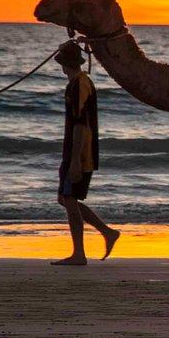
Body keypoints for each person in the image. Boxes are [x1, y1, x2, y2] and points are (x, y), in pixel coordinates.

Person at [51, 40, 120, 266]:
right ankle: (106, 232)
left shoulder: (80, 85)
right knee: (64, 198)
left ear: (64, 64)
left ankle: (79, 254)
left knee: (69, 199)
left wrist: (75, 161)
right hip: (72, 149)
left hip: (80, 152)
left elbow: (81, 124)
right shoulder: (77, 83)